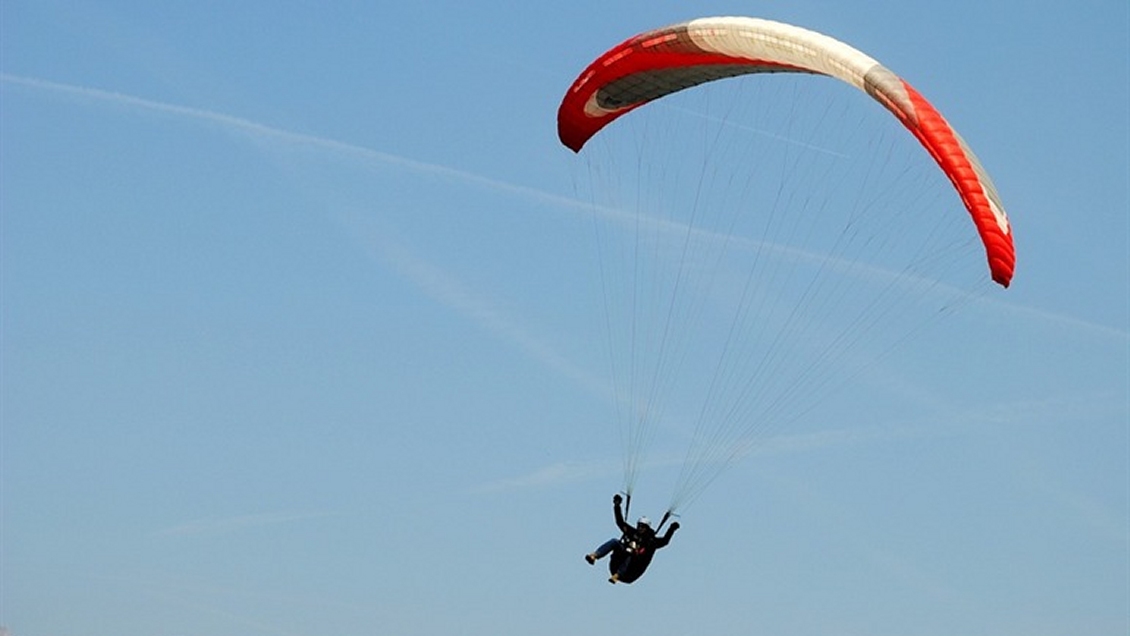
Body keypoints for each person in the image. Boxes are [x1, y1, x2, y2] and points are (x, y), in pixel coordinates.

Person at [585, 493, 679, 584]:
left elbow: (665, 541)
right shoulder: (632, 532)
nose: (640, 528)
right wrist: (617, 505)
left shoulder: (651, 541)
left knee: (631, 552)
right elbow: (620, 522)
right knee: (614, 541)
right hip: (616, 566)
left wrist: (671, 529)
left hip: (631, 573)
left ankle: (617, 576)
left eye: (643, 527)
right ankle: (594, 556)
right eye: (639, 525)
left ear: (647, 528)